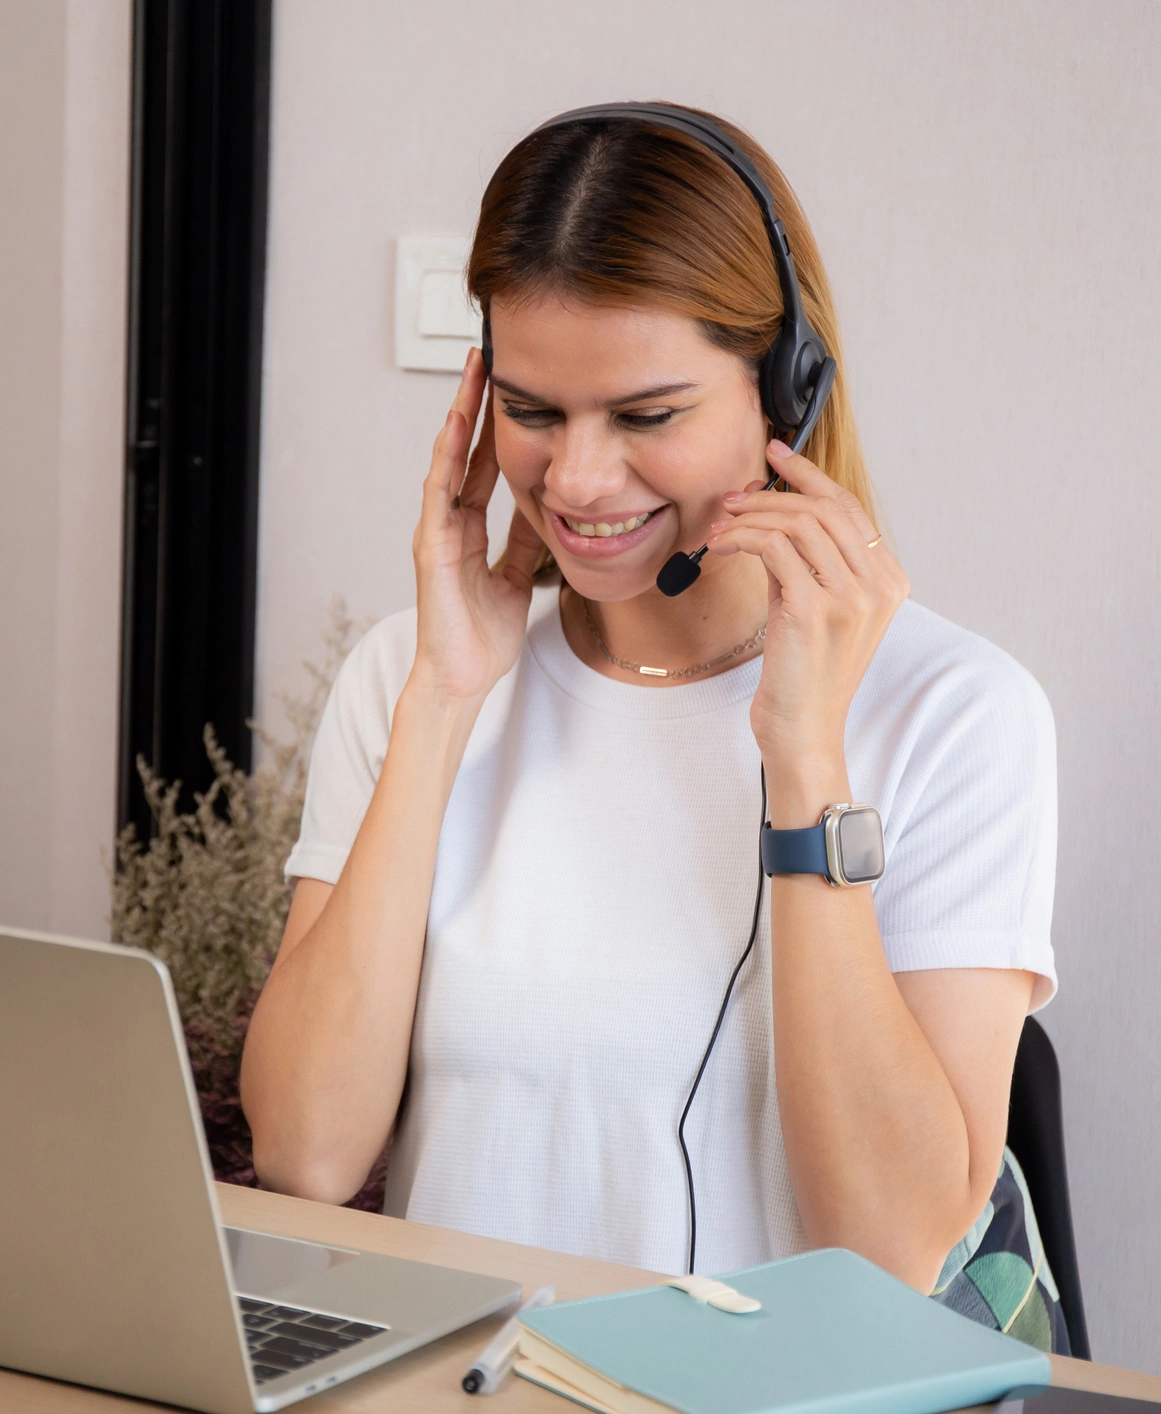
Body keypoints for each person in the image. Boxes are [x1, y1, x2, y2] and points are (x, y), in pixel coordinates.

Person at [239, 105, 1066, 1352]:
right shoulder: (410, 679)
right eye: (532, 409)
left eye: (644, 416)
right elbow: (306, 1150)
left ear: (786, 390)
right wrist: (444, 700)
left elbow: (894, 1249)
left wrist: (803, 761)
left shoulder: (955, 717)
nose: (574, 480)